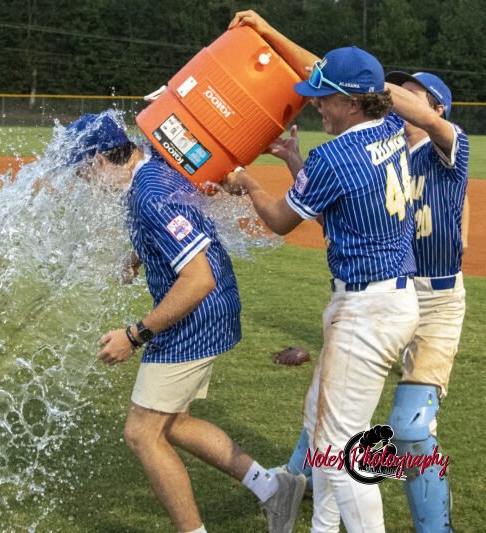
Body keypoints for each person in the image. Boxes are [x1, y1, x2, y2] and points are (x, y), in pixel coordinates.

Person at [63, 110, 306, 533]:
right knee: (173, 422)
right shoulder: (152, 171)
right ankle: (274, 489)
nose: (81, 183)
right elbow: (180, 232)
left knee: (142, 434)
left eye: (82, 172)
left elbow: (197, 278)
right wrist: (137, 256)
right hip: (211, 310)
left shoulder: (148, 194)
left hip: (196, 316)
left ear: (102, 159)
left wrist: (133, 335)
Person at [225, 11, 419, 533]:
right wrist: (294, 159)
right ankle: (322, 527)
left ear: (353, 102)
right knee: (320, 424)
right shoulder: (394, 126)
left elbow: (284, 220)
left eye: (326, 97)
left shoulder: (334, 155)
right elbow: (341, 198)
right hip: (392, 300)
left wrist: (247, 182)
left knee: (341, 452)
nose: (315, 104)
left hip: (365, 310)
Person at [381, 71, 469, 533]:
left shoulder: (450, 146)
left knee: (412, 429)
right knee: (332, 406)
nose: (398, 97)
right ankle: (301, 481)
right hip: (384, 296)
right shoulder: (384, 153)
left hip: (435, 302)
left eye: (411, 93)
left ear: (437, 110)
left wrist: (368, 84)